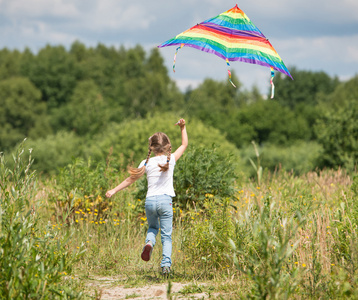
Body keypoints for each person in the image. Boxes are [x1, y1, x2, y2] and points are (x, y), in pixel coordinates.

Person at [105, 119, 188, 276]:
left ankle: (149, 243)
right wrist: (182, 127)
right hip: (165, 201)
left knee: (152, 228)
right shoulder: (170, 160)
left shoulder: (146, 162)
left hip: (150, 202)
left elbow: (130, 180)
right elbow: (184, 144)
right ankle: (165, 266)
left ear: (151, 147)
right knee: (166, 236)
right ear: (168, 147)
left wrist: (114, 190)